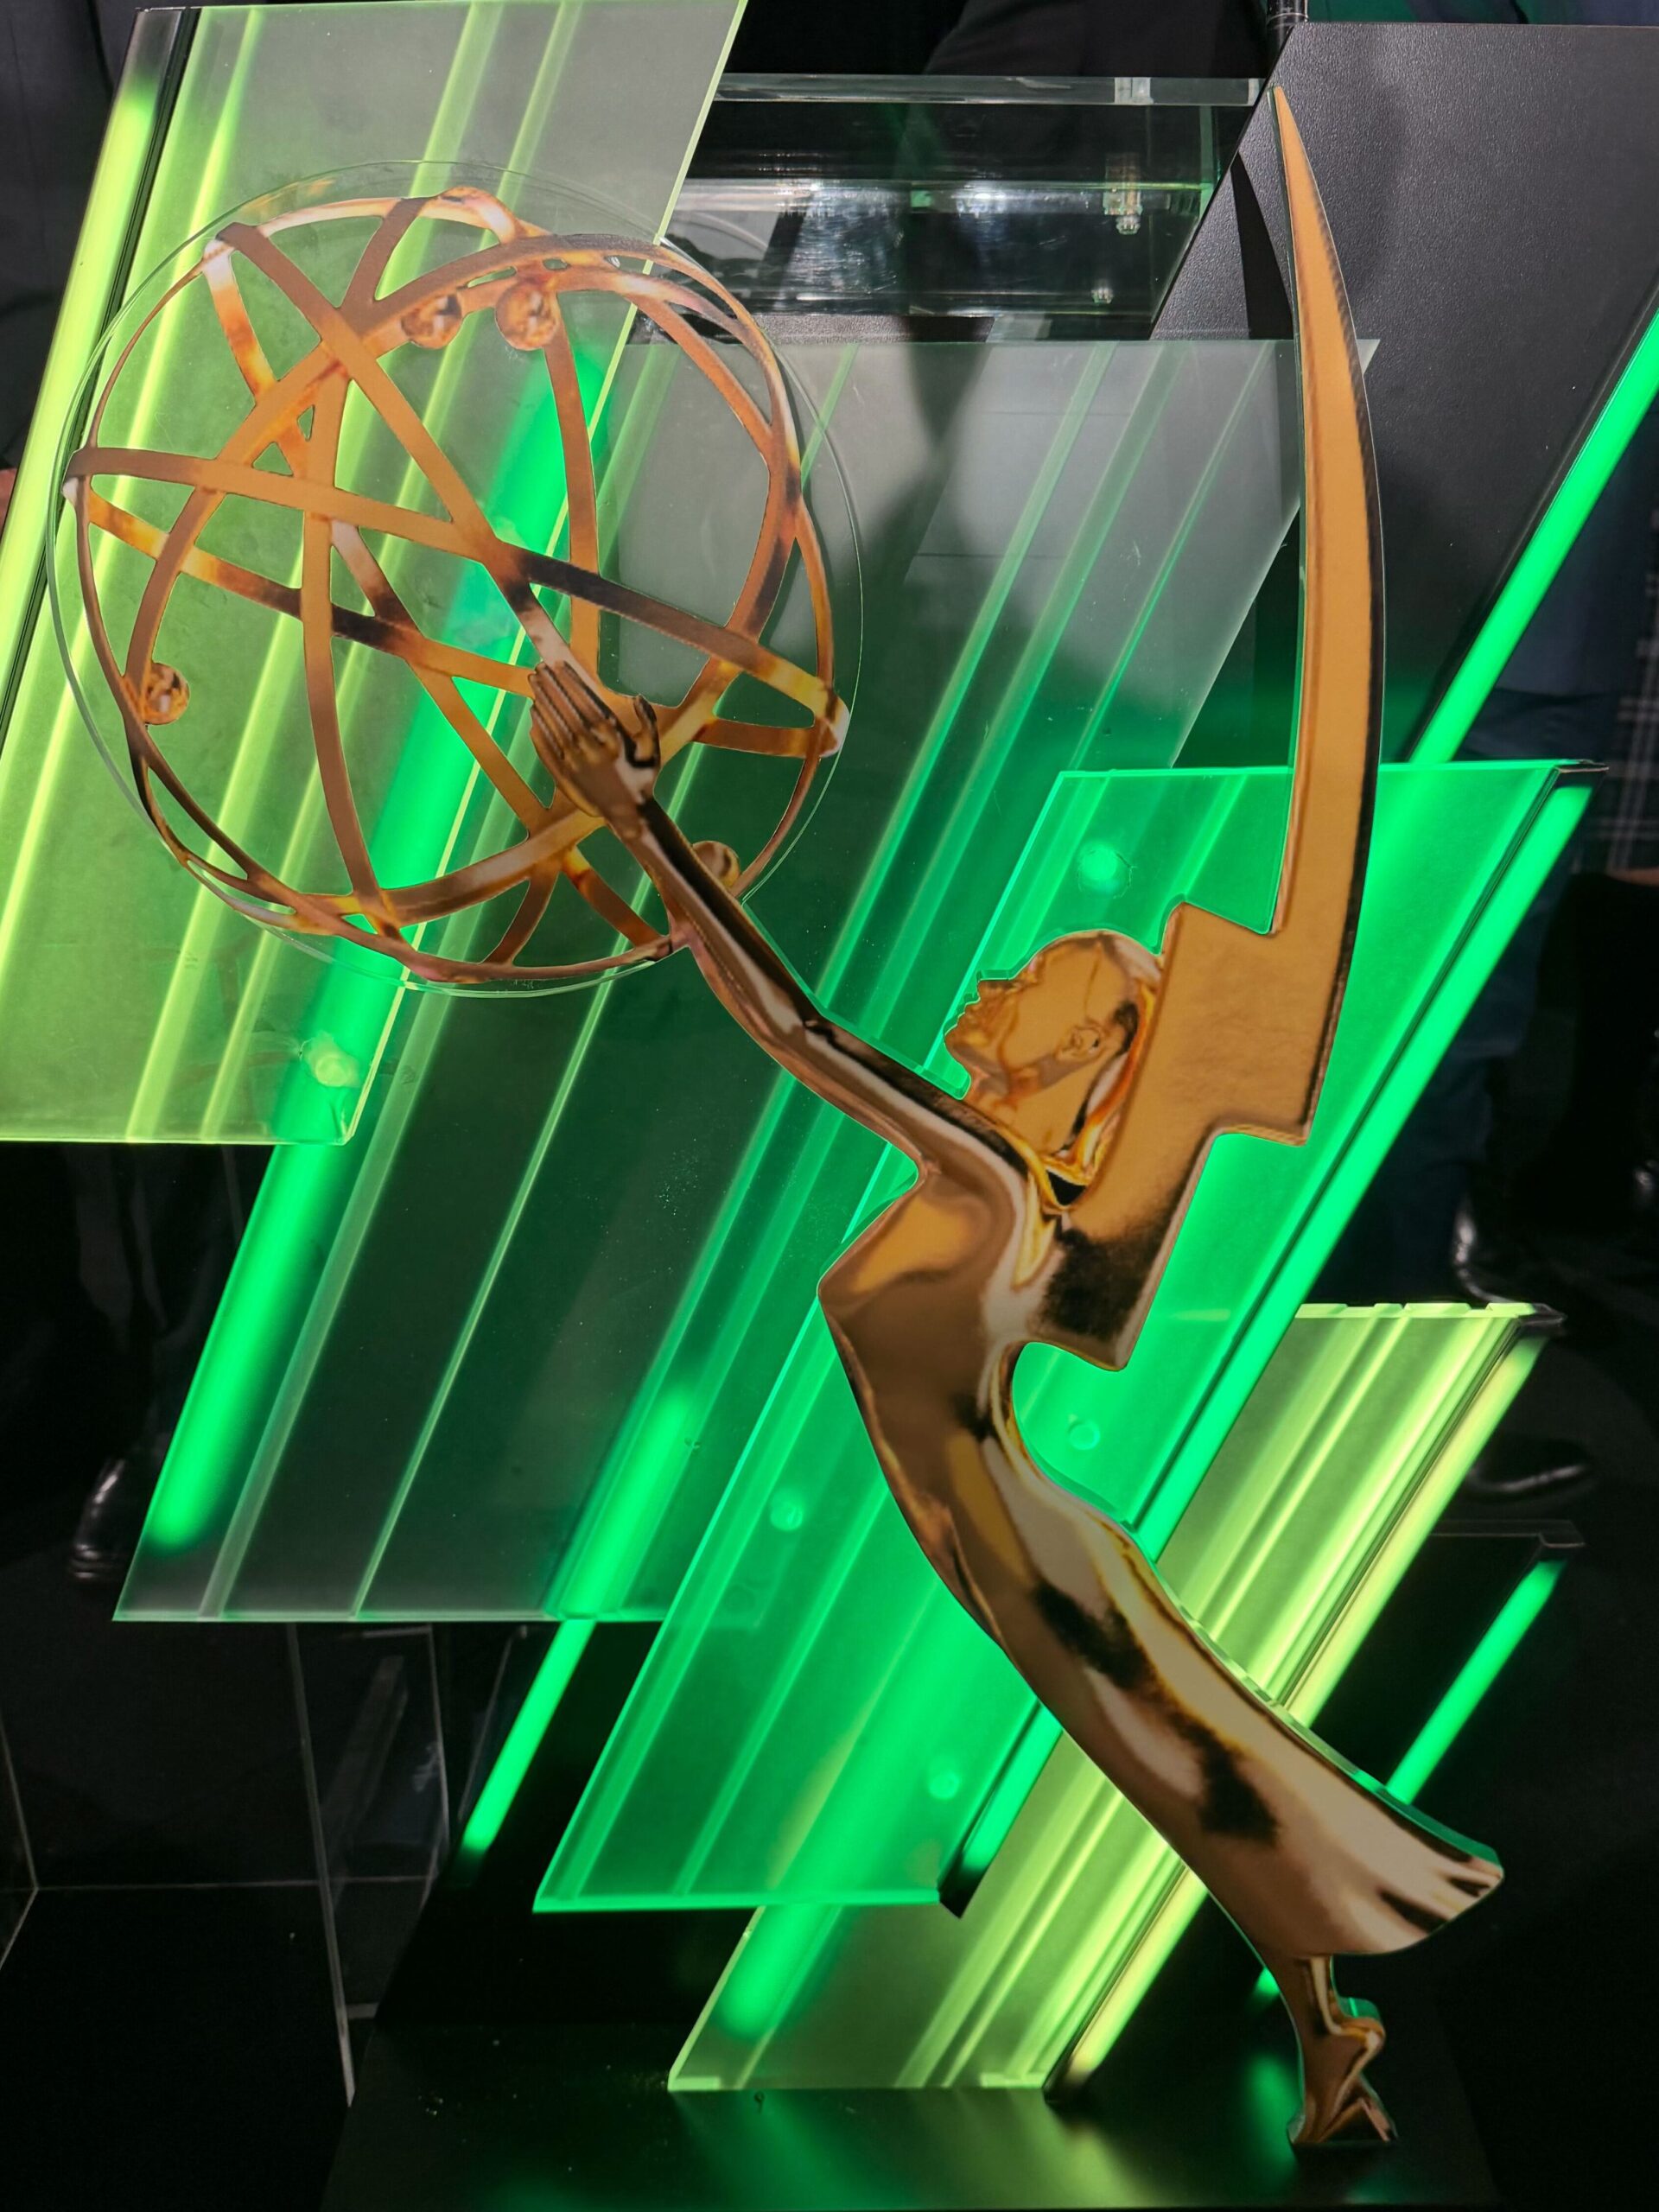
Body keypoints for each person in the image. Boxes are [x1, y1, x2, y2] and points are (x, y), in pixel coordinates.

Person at [518, 101, 1503, 2147]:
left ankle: (1332, 2033)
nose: (994, 990)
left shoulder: (997, 1180)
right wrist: (626, 835)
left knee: (1205, 1777)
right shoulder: (1014, 1181)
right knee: (1209, 1774)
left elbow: (790, 1024)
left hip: (1024, 1553)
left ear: (1089, 1050)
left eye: (1039, 982)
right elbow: (771, 1016)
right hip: (1014, 1549)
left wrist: (639, 822)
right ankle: (1330, 2034)